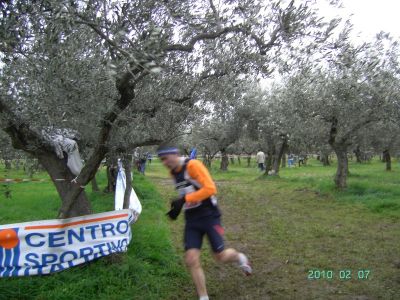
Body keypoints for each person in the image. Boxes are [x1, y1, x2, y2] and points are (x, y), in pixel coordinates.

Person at [157, 145, 252, 300]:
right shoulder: (173, 172)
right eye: (161, 160)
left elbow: (210, 189)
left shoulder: (193, 165)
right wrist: (178, 208)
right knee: (191, 259)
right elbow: (187, 192)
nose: (164, 163)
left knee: (220, 256)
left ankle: (240, 258)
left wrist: (184, 200)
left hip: (209, 216)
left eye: (165, 158)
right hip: (192, 219)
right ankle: (203, 297)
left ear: (175, 154)